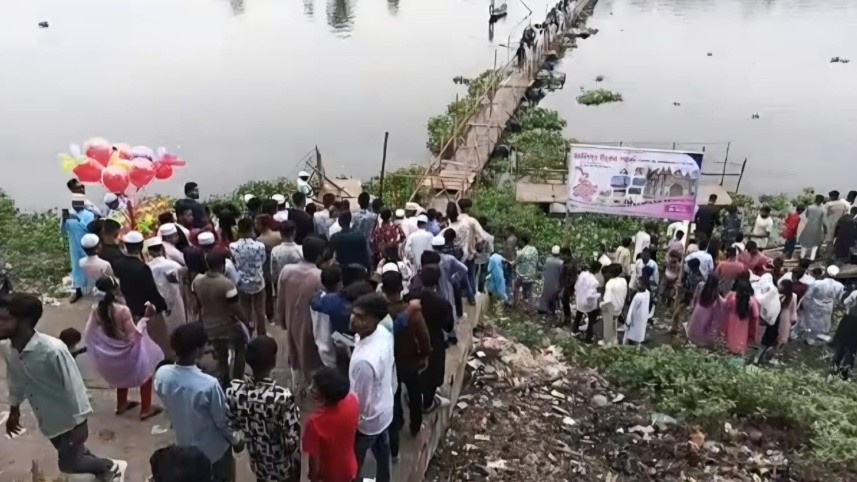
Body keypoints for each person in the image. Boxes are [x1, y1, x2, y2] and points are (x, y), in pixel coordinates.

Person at [1, 293, 127, 480]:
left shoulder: (53, 350)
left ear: (25, 321)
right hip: (48, 420)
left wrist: (80, 422)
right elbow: (16, 379)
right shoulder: (7, 348)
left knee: (69, 464)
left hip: (70, 420)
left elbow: (74, 386)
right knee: (73, 452)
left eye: (4, 319)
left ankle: (110, 467)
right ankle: (104, 467)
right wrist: (14, 409)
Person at [155, 323, 243, 481]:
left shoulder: (162, 375)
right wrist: (236, 441)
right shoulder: (209, 384)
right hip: (214, 450)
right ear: (197, 350)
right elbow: (222, 422)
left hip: (185, 443)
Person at [85, 275, 164, 420]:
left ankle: (121, 404)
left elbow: (88, 332)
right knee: (146, 374)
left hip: (108, 356)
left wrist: (101, 346)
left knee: (121, 377)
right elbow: (132, 337)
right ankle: (146, 409)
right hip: (126, 352)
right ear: (115, 291)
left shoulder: (96, 309)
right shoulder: (122, 310)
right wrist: (145, 319)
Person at [226, 336, 301, 481]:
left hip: (257, 464)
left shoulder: (234, 391)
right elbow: (291, 441)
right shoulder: (281, 397)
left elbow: (233, 427)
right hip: (281, 469)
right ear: (273, 362)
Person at [382, 270, 431, 456]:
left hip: (391, 363)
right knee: (414, 392)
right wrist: (424, 355)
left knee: (394, 398)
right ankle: (415, 425)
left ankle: (399, 423)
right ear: (401, 287)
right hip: (410, 361)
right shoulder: (411, 312)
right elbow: (424, 337)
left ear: (384, 290)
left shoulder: (380, 314)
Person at [349, 294, 395, 482]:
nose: (354, 320)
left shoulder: (365, 363)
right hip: (384, 408)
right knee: (383, 451)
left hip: (367, 421)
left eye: (361, 317)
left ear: (375, 319)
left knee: (354, 458)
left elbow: (360, 401)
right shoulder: (383, 332)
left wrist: (352, 425)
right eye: (354, 314)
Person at [276, 235, 325, 400]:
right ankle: (311, 386)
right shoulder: (319, 276)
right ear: (319, 255)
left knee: (294, 350)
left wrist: (281, 318)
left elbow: (280, 297)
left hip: (291, 318)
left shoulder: (287, 271)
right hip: (310, 322)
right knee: (311, 354)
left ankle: (298, 385)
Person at [192, 250, 247, 387]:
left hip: (209, 326)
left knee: (221, 355)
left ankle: (225, 380)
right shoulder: (227, 284)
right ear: (223, 265)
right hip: (228, 326)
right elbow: (236, 308)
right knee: (240, 348)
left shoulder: (197, 282)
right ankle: (238, 380)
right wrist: (246, 321)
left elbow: (196, 305)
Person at [407, 266, 454, 413]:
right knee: (433, 371)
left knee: (414, 370)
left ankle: (413, 398)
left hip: (413, 339)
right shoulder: (442, 303)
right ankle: (427, 403)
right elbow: (448, 327)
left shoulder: (410, 297)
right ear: (437, 281)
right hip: (435, 339)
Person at [303, 367, 360, 482]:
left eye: (314, 387)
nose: (310, 388)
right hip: (349, 468)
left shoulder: (314, 423)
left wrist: (313, 477)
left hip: (330, 475)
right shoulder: (353, 402)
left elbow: (314, 460)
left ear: (324, 396)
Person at [230, 217, 267, 335]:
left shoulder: (233, 246)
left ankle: (247, 333)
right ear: (252, 228)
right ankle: (262, 333)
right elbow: (263, 260)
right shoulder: (260, 246)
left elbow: (233, 263)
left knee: (245, 308)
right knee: (259, 309)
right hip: (258, 282)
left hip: (241, 282)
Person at [146, 237, 187, 339]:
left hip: (159, 301)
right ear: (162, 249)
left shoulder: (147, 268)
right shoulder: (173, 265)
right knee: (179, 322)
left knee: (166, 326)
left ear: (150, 252)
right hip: (176, 297)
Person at [63, 195, 98, 303]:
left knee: (91, 267)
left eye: (78, 203)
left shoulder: (89, 215)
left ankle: (97, 291)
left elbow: (89, 228)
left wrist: (77, 219)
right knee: (76, 268)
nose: (75, 206)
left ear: (83, 204)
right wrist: (64, 220)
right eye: (74, 203)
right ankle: (78, 292)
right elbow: (64, 231)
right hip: (74, 247)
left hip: (87, 247)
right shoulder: (69, 213)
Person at [796, 265, 845, 339]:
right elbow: (839, 298)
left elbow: (808, 295)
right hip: (829, 305)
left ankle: (810, 336)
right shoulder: (840, 286)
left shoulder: (817, 283)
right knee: (825, 320)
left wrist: (805, 304)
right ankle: (820, 334)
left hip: (816, 303)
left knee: (812, 318)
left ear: (826, 273)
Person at [754, 277, 797, 363]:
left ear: (784, 287)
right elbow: (793, 312)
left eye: (781, 285)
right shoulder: (793, 296)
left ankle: (757, 358)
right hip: (783, 323)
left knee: (766, 341)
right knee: (777, 342)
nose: (779, 286)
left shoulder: (777, 295)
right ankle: (770, 358)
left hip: (775, 322)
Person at [255, 214, 282, 323]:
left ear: (262, 224)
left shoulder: (259, 240)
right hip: (280, 268)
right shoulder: (278, 236)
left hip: (266, 270)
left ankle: (270, 316)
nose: (255, 225)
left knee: (268, 294)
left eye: (256, 223)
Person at [722, 278, 760, 356]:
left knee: (730, 340)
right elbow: (756, 315)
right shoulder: (751, 301)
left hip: (731, 323)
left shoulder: (731, 296)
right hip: (744, 324)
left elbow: (724, 305)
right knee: (740, 343)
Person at [686, 275, 723, 347]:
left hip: (695, 317)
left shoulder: (701, 288)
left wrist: (692, 309)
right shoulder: (717, 296)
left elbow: (694, 299)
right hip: (706, 321)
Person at [831, 290, 857, 379]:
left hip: (848, 320)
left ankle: (835, 368)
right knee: (852, 348)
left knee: (841, 345)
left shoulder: (855, 293)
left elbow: (846, 302)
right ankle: (845, 372)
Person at [573, 260, 601, 342]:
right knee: (591, 321)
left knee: (578, 317)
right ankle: (588, 339)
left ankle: (574, 331)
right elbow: (590, 296)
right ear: (598, 270)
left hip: (579, 301)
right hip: (588, 305)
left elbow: (576, 286)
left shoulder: (582, 274)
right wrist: (598, 295)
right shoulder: (595, 282)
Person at [270, 220, 303, 286]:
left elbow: (274, 273)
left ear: (280, 233)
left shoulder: (275, 250)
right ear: (294, 232)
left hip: (282, 284)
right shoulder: (301, 249)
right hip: (298, 285)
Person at [601, 264, 627, 345]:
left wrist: (601, 305)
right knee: (614, 324)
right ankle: (614, 339)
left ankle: (607, 341)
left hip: (610, 308)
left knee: (607, 326)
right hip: (619, 307)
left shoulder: (610, 283)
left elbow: (607, 299)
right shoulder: (623, 280)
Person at [624, 276, 651, 346]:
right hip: (643, 317)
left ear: (644, 285)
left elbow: (632, 309)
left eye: (639, 283)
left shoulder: (638, 296)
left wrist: (628, 321)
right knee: (639, 334)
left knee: (631, 335)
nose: (637, 284)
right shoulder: (647, 293)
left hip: (635, 318)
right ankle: (638, 346)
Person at [515, 234, 539, 305]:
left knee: (516, 287)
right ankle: (529, 307)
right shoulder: (534, 249)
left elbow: (517, 262)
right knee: (529, 291)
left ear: (522, 242)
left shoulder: (521, 252)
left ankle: (515, 303)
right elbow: (536, 261)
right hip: (531, 274)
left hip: (521, 275)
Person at [538, 246, 564, 314]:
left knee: (545, 295)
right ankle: (552, 310)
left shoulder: (548, 260)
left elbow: (545, 269)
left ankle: (543, 308)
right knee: (554, 297)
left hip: (547, 281)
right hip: (555, 283)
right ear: (559, 253)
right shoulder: (561, 263)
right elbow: (561, 275)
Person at [799, 194, 826, 260]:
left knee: (805, 244)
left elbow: (802, 217)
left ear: (815, 199)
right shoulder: (823, 209)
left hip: (808, 228)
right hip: (817, 229)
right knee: (815, 246)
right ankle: (811, 259)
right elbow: (824, 221)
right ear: (822, 201)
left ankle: (802, 257)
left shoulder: (809, 207)